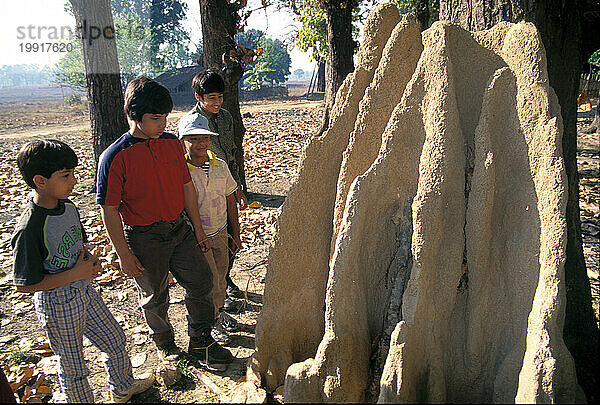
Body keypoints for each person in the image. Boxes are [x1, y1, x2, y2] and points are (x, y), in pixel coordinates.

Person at [96, 76, 233, 371]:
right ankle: (165, 344)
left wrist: (197, 230)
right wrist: (123, 254)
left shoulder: (172, 145)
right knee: (155, 296)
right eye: (155, 118)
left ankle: (200, 340)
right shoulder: (115, 156)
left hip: (179, 228)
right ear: (135, 116)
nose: (163, 124)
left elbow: (186, 188)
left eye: (165, 118)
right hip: (144, 237)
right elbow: (109, 210)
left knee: (202, 280)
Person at [11, 140, 155, 403]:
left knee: (114, 339)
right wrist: (74, 274)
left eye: (74, 174)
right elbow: (25, 284)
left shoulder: (68, 208)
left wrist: (89, 263)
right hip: (57, 303)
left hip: (84, 292)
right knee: (73, 366)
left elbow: (79, 246)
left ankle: (122, 387)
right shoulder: (30, 227)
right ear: (40, 181)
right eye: (66, 176)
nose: (74, 181)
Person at [178, 113, 242, 346]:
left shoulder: (220, 166)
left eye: (204, 138)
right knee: (210, 279)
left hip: (220, 231)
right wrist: (197, 232)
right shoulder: (180, 171)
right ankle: (211, 321)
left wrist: (235, 233)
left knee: (222, 273)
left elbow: (229, 199)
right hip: (198, 236)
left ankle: (219, 311)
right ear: (182, 141)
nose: (200, 143)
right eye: (193, 138)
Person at [189, 68, 248, 310]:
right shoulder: (191, 125)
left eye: (220, 97)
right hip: (201, 188)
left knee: (230, 237)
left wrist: (239, 188)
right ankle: (217, 290)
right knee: (209, 244)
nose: (217, 102)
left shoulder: (226, 117)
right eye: (211, 98)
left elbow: (233, 154)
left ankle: (224, 280)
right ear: (198, 97)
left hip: (225, 180)